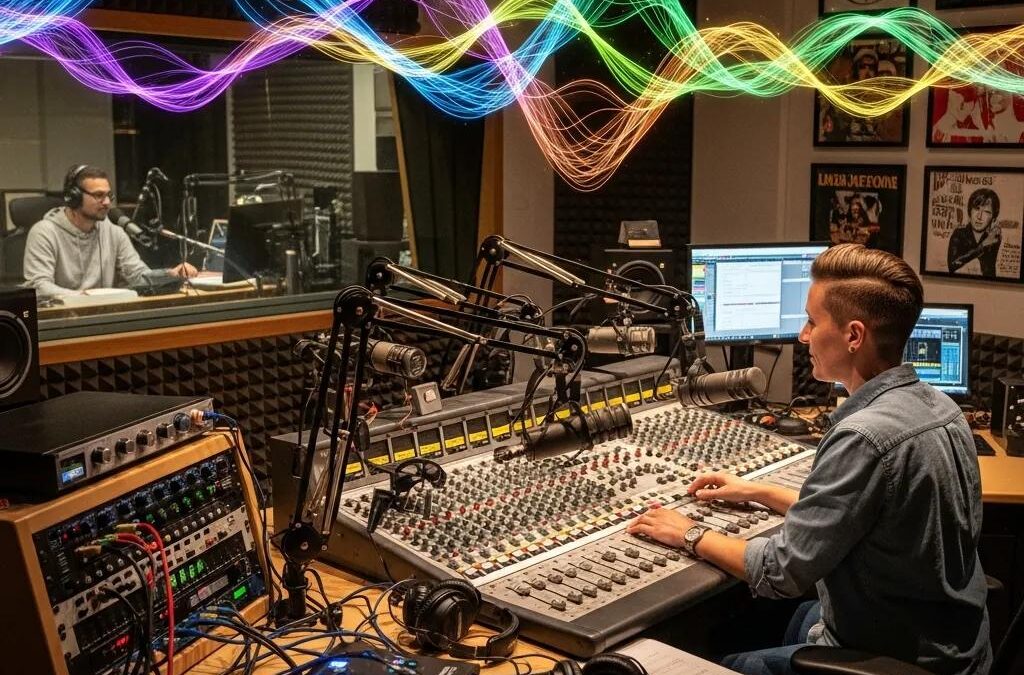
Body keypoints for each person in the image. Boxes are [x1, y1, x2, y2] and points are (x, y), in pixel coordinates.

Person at [627, 244, 990, 675]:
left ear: (854, 336)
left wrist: (689, 533)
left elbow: (780, 572)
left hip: (900, 658)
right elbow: (862, 516)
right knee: (792, 619)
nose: (803, 335)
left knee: (728, 660)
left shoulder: (863, 437)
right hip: (954, 644)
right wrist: (759, 491)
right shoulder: (941, 406)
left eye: (813, 322)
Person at [22, 164, 196, 299]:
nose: (107, 203)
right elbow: (39, 286)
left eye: (108, 196)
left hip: (104, 316)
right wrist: (83, 298)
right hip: (63, 320)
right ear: (73, 197)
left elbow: (137, 275)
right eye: (98, 195)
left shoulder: (114, 232)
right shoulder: (44, 232)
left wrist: (170, 274)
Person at [947, 187, 1002, 277]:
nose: (979, 216)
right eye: (976, 209)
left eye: (986, 212)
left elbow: (990, 273)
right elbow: (952, 266)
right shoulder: (959, 234)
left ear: (993, 218)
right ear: (970, 211)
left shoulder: (994, 238)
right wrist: (983, 246)